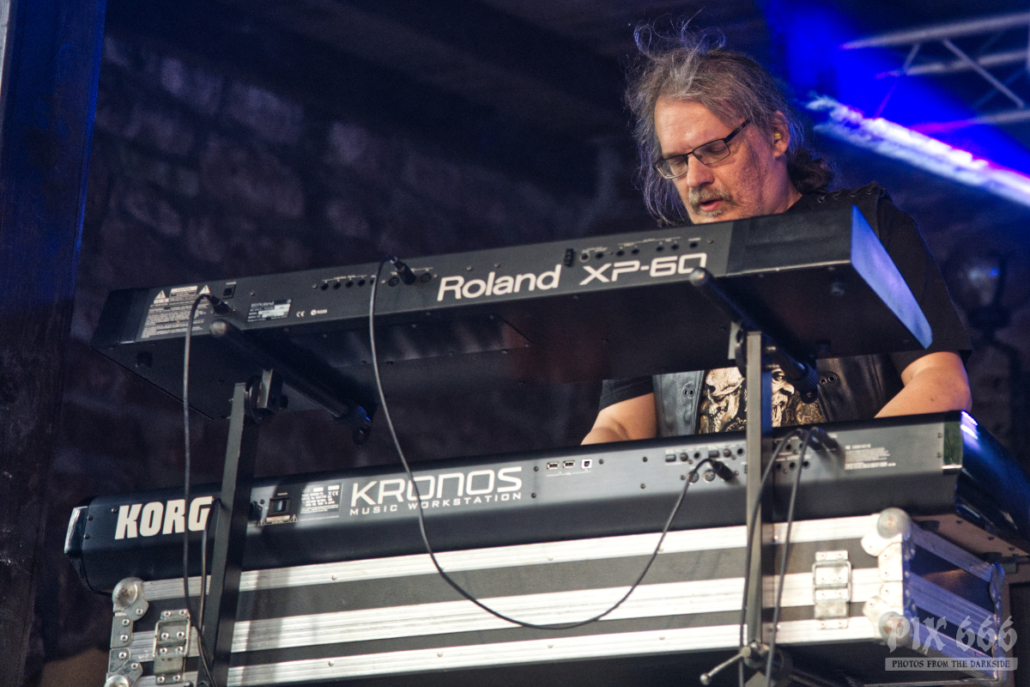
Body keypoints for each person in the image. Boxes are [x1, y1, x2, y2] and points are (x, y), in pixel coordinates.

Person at [583, 28, 971, 445]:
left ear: (776, 135)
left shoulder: (869, 230)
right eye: (677, 161)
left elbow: (941, 383)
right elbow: (619, 425)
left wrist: (842, 468)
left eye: (714, 150)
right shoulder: (660, 272)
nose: (695, 178)